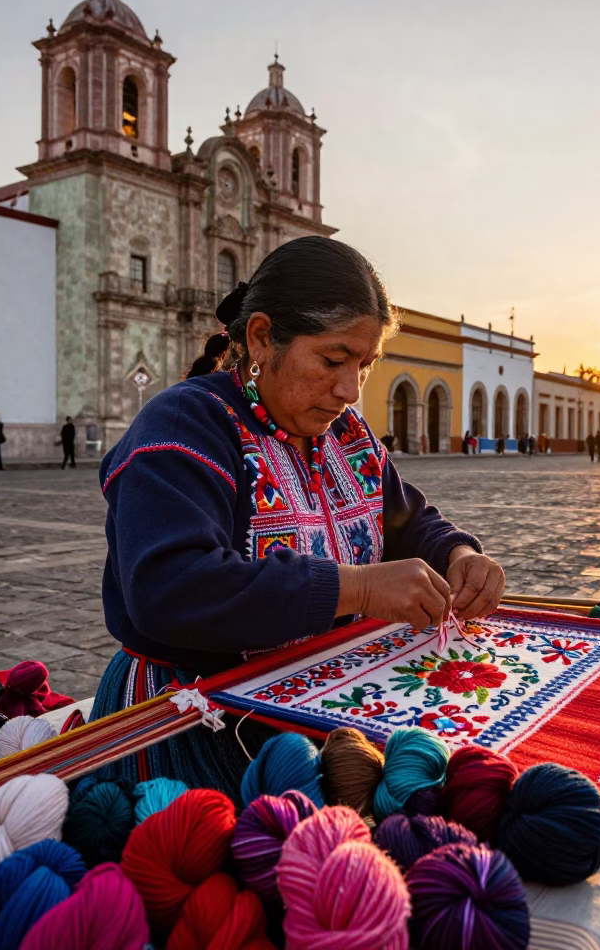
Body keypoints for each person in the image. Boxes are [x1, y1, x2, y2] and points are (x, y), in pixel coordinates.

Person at [91, 237, 505, 797]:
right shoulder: (185, 425)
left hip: (320, 705)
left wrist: (460, 554)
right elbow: (171, 587)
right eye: (333, 360)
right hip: (195, 717)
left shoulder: (347, 435)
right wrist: (356, 589)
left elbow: (406, 521)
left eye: (364, 364)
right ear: (262, 337)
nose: (348, 390)